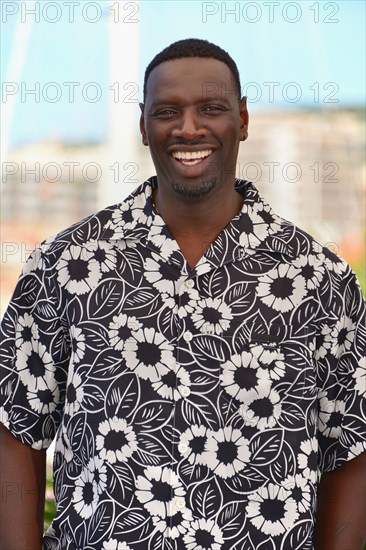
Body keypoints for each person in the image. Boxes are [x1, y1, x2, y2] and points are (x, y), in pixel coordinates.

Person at [0, 38, 365, 550]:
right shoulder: (67, 264)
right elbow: (16, 428)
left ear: (241, 119)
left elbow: (350, 449)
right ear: (143, 124)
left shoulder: (319, 280)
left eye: (210, 109)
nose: (188, 128)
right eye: (167, 111)